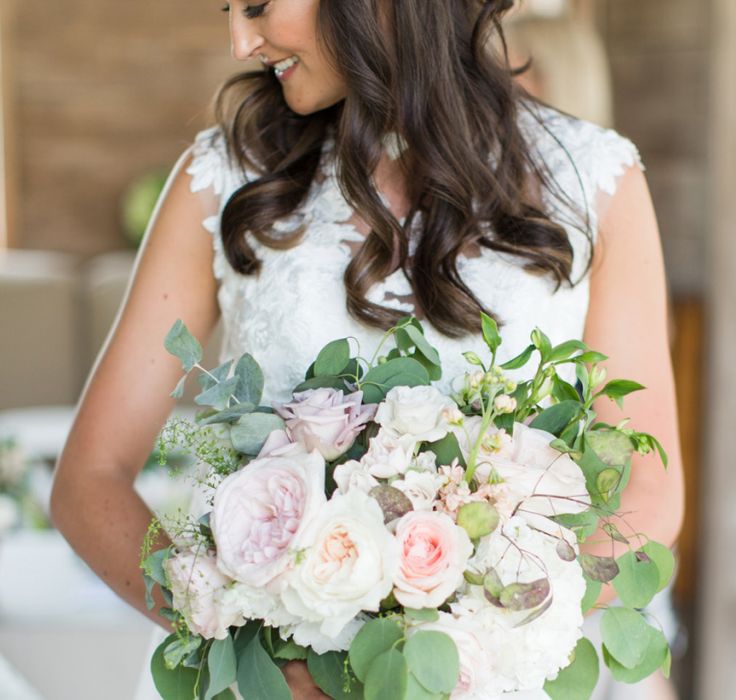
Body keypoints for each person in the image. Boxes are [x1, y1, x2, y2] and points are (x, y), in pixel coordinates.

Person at [50, 1, 685, 699]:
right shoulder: (224, 178)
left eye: (258, 5)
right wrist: (244, 640)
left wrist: (482, 644)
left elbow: (648, 489)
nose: (238, 39)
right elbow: (91, 479)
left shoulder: (594, 180)